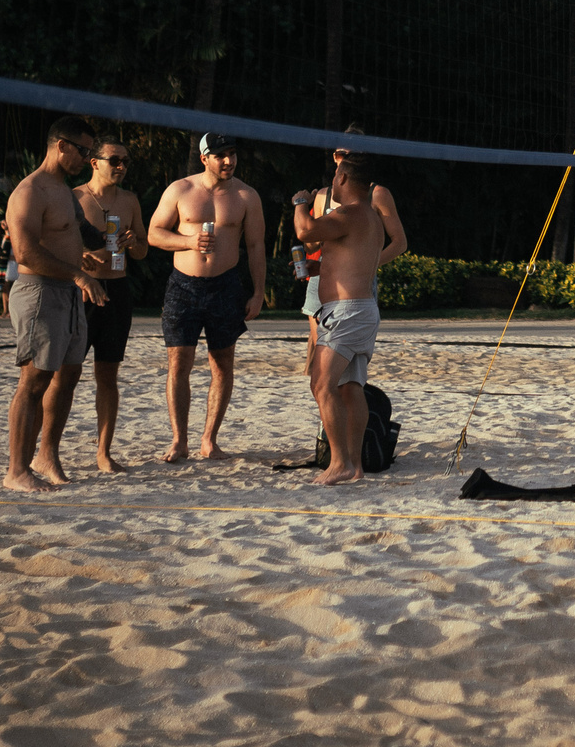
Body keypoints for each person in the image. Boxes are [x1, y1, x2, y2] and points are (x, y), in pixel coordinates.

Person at [3, 116, 111, 493]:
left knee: (67, 376)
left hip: (66, 291)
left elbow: (85, 234)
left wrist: (118, 238)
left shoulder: (64, 191)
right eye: (83, 151)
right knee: (33, 381)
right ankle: (17, 470)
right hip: (39, 292)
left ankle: (45, 454)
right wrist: (79, 274)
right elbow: (25, 252)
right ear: (61, 145)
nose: (87, 158)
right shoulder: (30, 191)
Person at [147, 133, 266, 462]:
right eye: (220, 155)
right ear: (204, 159)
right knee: (178, 365)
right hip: (183, 286)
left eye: (232, 154)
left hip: (226, 286)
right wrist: (188, 242)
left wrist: (257, 292)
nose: (228, 161)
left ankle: (209, 440)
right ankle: (179, 440)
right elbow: (154, 233)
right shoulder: (181, 190)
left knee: (222, 365)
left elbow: (256, 247)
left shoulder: (246, 196)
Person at [293, 154, 407, 485]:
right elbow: (354, 259)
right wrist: (320, 268)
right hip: (360, 309)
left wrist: (301, 202)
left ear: (342, 179)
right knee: (350, 388)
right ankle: (355, 465)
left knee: (322, 384)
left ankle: (340, 461)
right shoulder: (368, 216)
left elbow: (305, 230)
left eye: (335, 177)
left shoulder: (349, 213)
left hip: (346, 312)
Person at [75, 139, 149, 474]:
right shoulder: (74, 197)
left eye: (126, 161)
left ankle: (104, 452)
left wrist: (134, 243)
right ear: (94, 162)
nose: (120, 166)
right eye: (114, 160)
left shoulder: (130, 200)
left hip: (117, 289)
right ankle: (47, 449)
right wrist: (80, 261)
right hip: (80, 291)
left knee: (108, 374)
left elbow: (144, 251)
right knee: (65, 373)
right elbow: (53, 244)